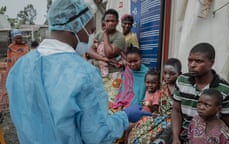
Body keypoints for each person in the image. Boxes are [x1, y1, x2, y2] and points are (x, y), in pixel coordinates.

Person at [6, 0, 151, 143]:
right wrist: (124, 117)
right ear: (78, 26)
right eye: (91, 31)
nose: (91, 37)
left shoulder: (20, 68)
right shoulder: (84, 73)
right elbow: (97, 134)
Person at [171, 43, 229, 144]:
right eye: (190, 60)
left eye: (198, 61)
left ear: (211, 62)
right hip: (184, 136)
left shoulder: (226, 90)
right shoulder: (182, 81)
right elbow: (176, 111)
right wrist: (175, 138)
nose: (192, 65)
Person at [128, 58, 182, 144]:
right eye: (165, 73)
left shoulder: (181, 89)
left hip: (172, 120)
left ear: (179, 74)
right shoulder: (162, 86)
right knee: (136, 133)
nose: (167, 76)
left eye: (172, 74)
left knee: (150, 139)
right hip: (158, 116)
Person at [87, 8, 126, 103]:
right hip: (98, 73)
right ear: (104, 22)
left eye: (112, 21)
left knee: (111, 101)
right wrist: (104, 59)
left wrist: (106, 34)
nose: (110, 23)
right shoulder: (98, 34)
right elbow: (89, 51)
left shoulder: (119, 37)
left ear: (117, 22)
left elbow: (109, 53)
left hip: (113, 74)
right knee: (98, 100)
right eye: (107, 21)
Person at [111, 46, 149, 111]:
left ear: (141, 59)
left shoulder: (147, 73)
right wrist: (122, 103)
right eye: (130, 62)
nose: (133, 64)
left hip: (141, 103)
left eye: (135, 61)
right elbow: (124, 89)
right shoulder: (128, 70)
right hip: (126, 101)